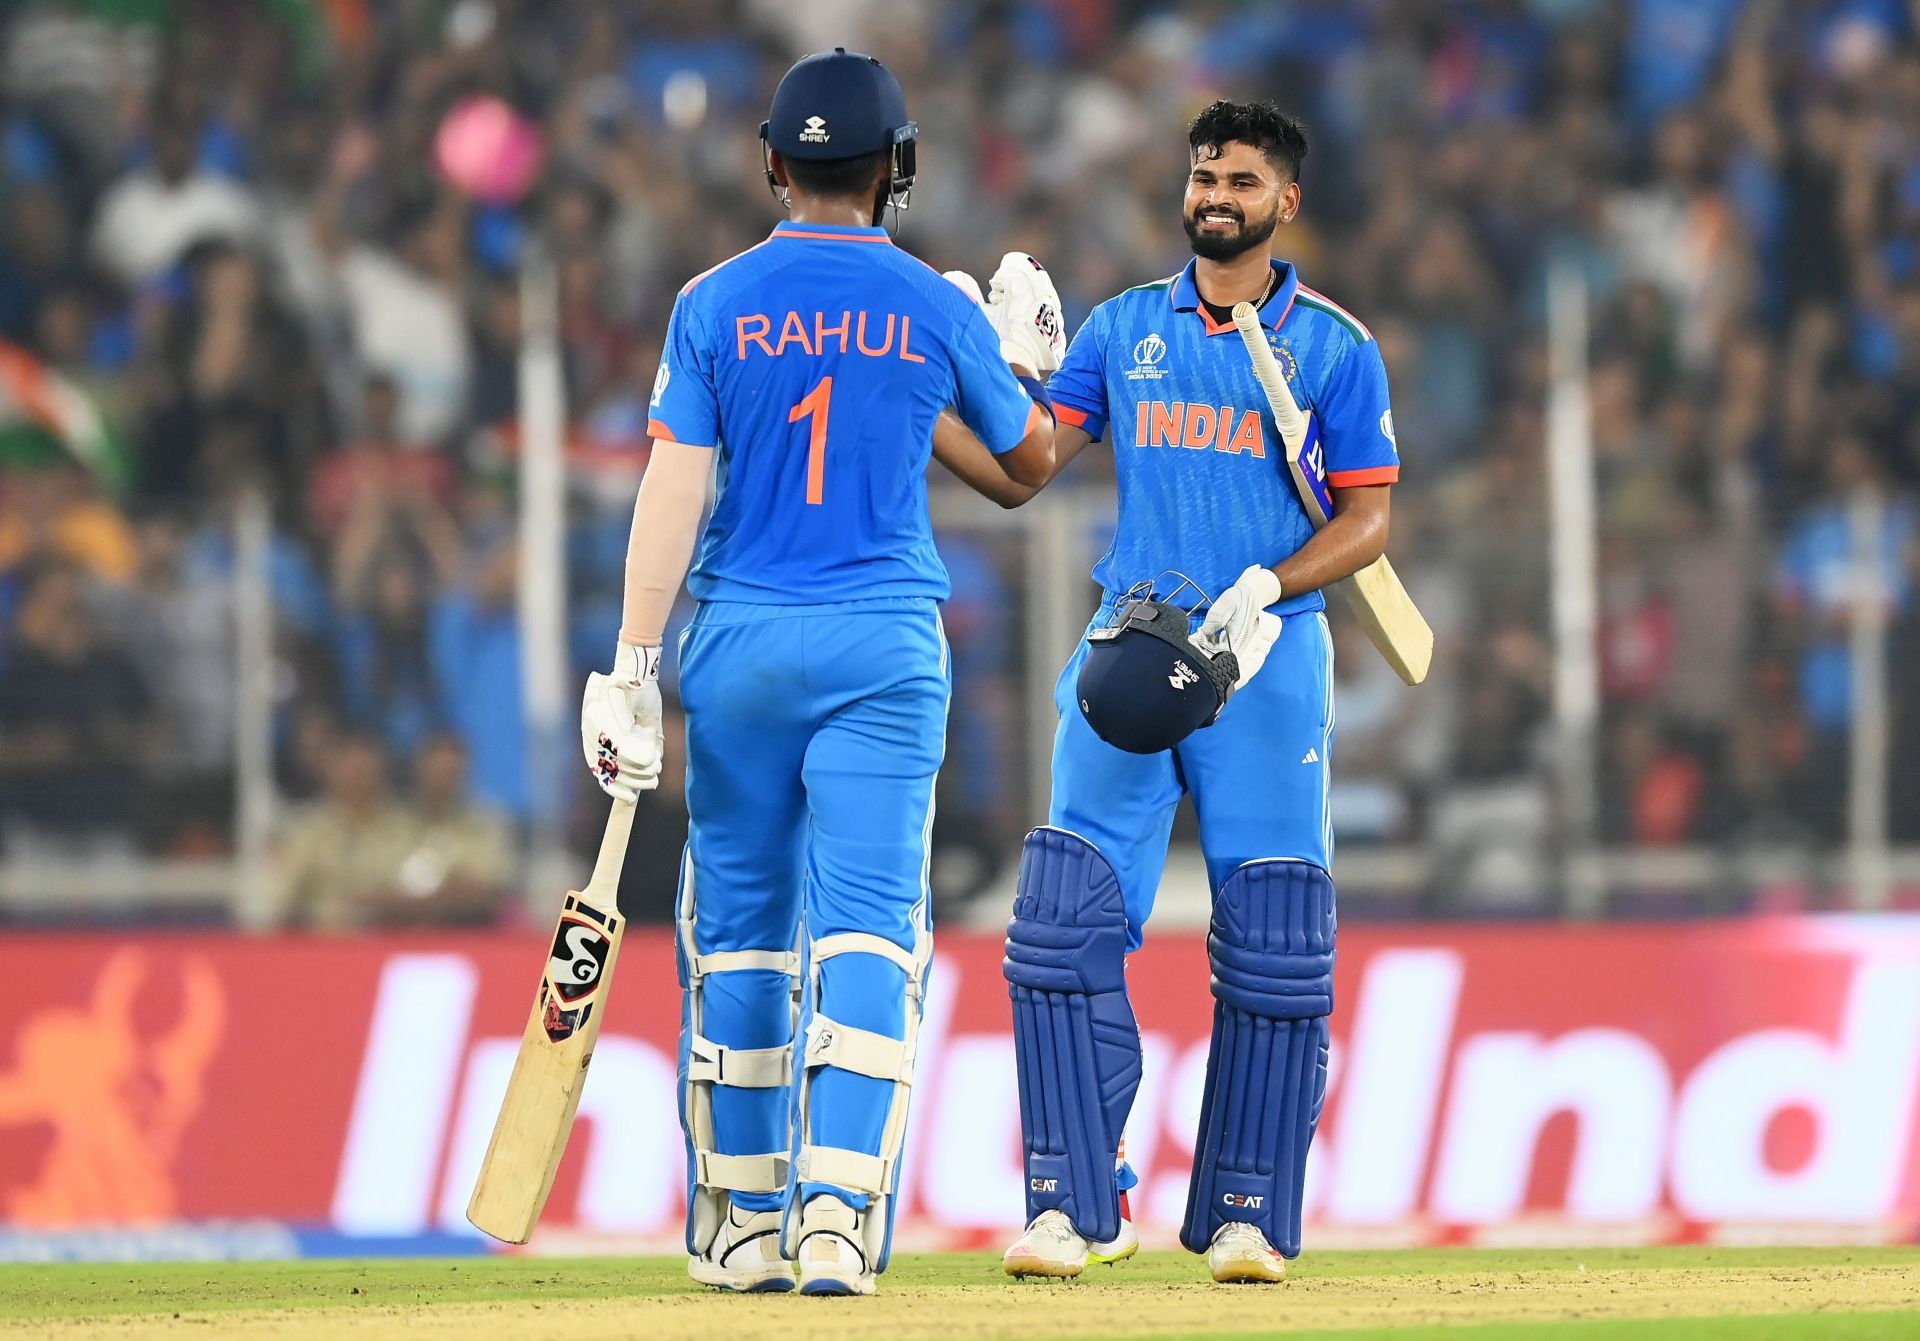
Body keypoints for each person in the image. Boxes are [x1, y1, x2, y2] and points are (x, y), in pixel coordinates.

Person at [579, 49, 1056, 1297]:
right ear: (897, 169)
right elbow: (1027, 469)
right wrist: (1022, 363)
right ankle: (839, 1216)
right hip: (883, 651)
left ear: (774, 164)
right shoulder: (935, 307)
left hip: (738, 646)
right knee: (871, 926)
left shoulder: (712, 302)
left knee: (737, 934)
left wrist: (632, 660)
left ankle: (741, 1223)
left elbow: (676, 486)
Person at [935, 100, 1402, 1284]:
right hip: (1130, 643)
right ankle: (1071, 1205)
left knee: (1276, 941)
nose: (1216, 192)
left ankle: (1246, 1212)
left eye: (1241, 177)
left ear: (1284, 200)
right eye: (1204, 172)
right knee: (1057, 927)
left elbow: (1370, 518)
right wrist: (983, 378)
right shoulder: (1126, 326)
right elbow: (1027, 470)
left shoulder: (1335, 347)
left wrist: (1271, 585)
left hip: (1269, 658)